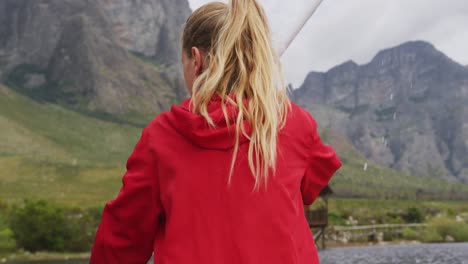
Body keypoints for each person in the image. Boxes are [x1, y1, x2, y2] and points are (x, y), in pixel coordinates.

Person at [90, 0, 341, 263]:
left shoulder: (161, 138)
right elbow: (315, 181)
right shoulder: (292, 122)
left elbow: (119, 243)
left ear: (195, 60)